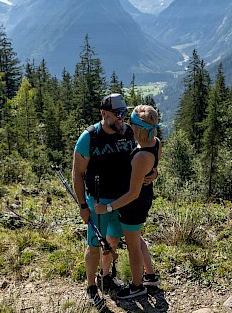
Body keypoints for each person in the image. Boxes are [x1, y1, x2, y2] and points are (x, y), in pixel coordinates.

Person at [72, 94, 158, 307]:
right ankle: (92, 286)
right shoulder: (89, 137)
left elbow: (148, 152)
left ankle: (106, 276)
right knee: (94, 245)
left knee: (111, 241)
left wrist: (154, 172)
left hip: (125, 200)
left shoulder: (130, 132)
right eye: (118, 114)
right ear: (104, 113)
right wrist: (83, 205)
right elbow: (77, 173)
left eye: (124, 114)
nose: (122, 119)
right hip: (98, 201)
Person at [94, 104, 162, 299]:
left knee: (133, 247)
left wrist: (108, 207)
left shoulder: (141, 156)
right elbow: (154, 166)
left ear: (137, 127)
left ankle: (137, 286)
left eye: (131, 123)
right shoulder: (155, 142)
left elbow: (133, 193)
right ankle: (149, 276)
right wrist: (153, 173)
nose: (127, 125)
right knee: (136, 237)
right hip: (145, 196)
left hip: (135, 203)